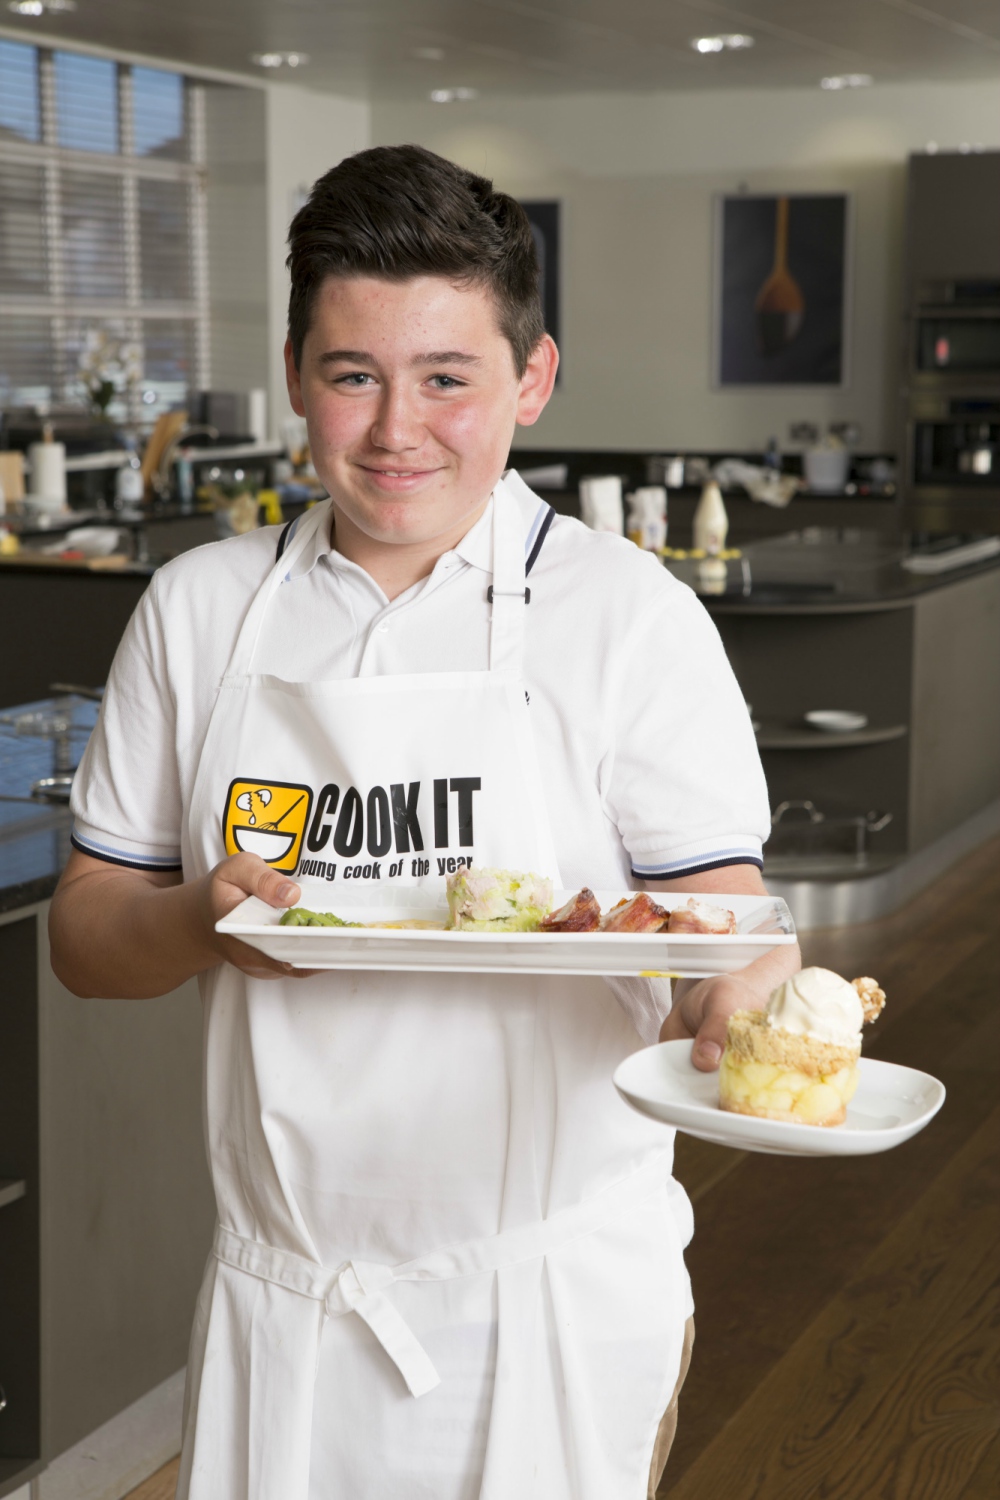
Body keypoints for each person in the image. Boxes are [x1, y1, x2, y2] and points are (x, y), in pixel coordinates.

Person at [50, 144, 800, 1500]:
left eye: (448, 378)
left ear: (533, 378)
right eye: (354, 376)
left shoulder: (627, 616)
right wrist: (196, 924)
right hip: (283, 1301)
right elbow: (89, 942)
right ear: (296, 376)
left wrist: (746, 1018)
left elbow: (731, 925)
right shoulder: (203, 608)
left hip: (553, 1297)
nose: (398, 428)